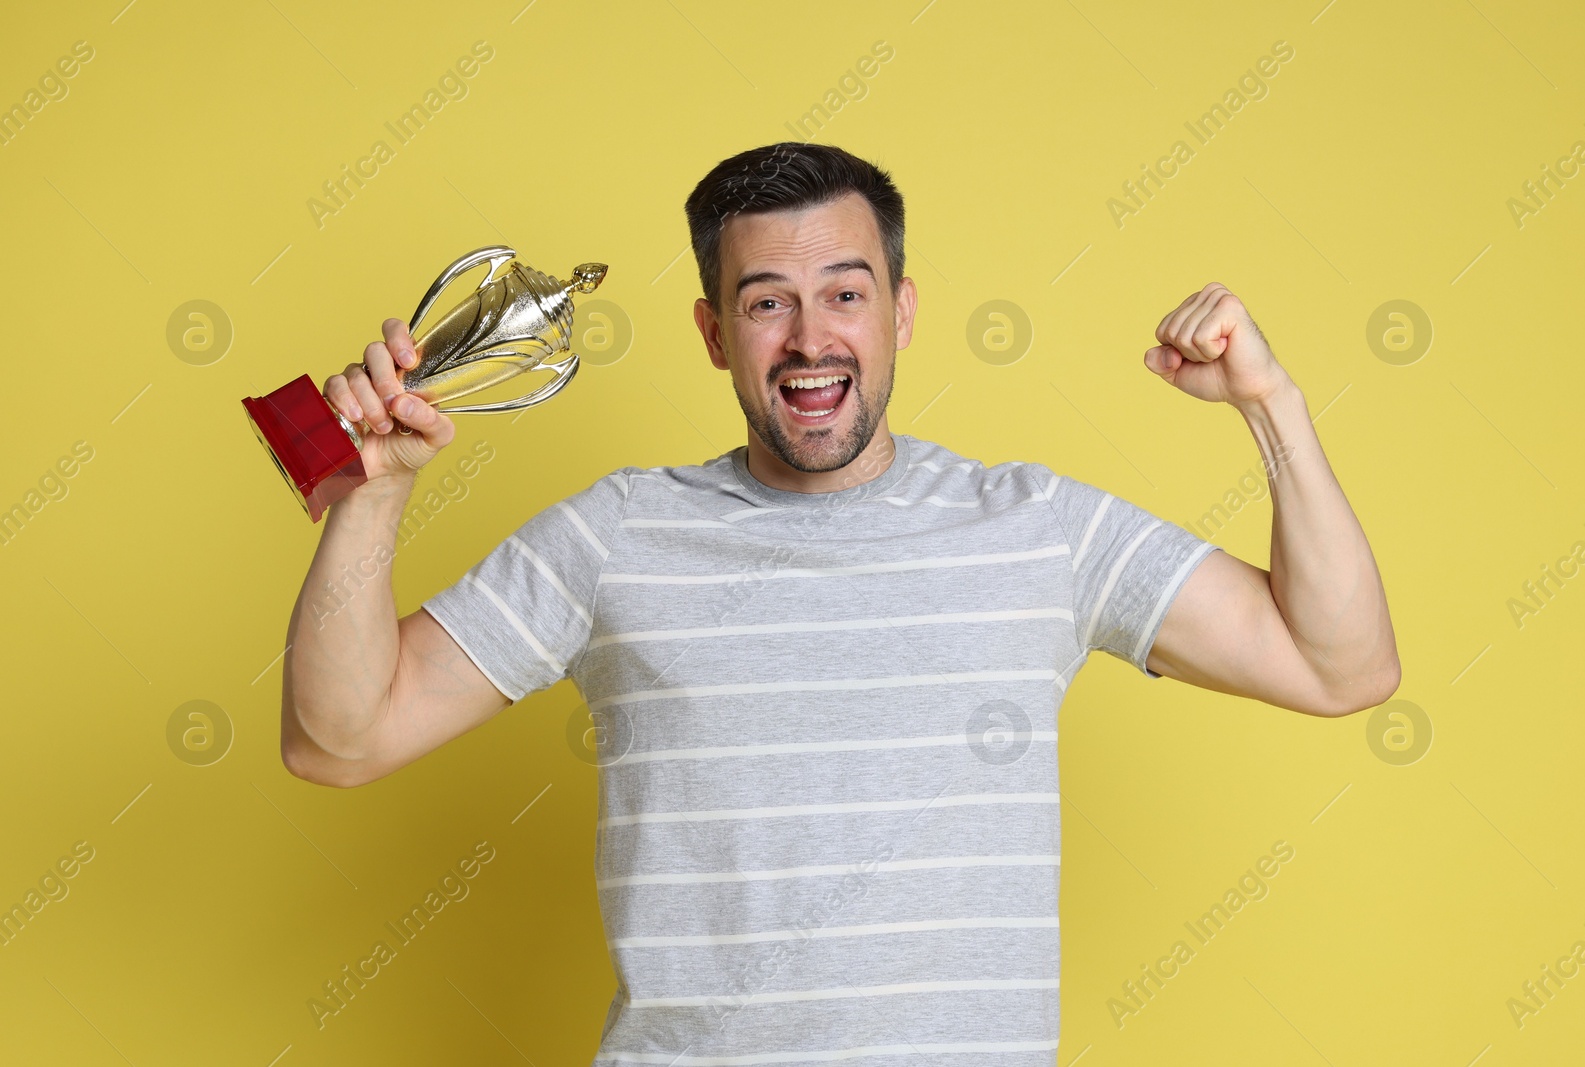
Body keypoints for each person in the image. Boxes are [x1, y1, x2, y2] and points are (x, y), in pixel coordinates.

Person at [280, 142, 1400, 1062]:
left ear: (901, 312)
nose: (811, 339)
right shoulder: (614, 534)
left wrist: (1270, 404)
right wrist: (370, 498)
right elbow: (340, 737)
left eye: (845, 295)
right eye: (766, 302)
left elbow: (1339, 665)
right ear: (714, 333)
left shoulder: (1038, 527)